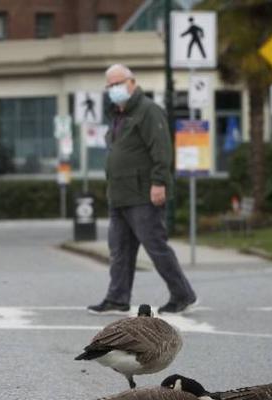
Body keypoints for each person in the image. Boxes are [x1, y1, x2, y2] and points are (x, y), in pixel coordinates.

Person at [87, 64, 197, 315]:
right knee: (120, 250)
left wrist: (159, 183)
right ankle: (117, 298)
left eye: (118, 83)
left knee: (156, 247)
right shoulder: (118, 114)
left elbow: (161, 150)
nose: (114, 89)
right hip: (120, 194)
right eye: (110, 85)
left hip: (143, 193)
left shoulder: (148, 111)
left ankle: (183, 295)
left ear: (132, 82)